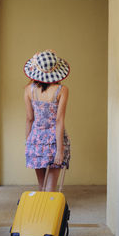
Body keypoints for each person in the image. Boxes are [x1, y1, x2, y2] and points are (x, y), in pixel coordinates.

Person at [24, 49, 70, 192]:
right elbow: (59, 120)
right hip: (53, 140)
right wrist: (60, 150)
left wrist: (28, 144)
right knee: (50, 188)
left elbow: (29, 118)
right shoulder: (62, 90)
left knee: (41, 187)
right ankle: (50, 214)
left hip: (36, 140)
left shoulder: (28, 90)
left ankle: (41, 214)